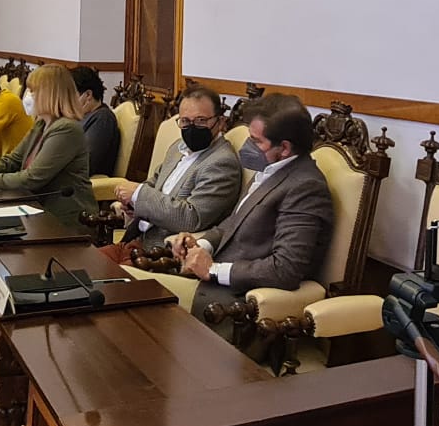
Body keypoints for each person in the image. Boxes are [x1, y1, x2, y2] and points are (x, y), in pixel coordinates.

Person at [162, 94, 332, 323]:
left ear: (284, 147)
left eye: (256, 141)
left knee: (137, 295)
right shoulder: (270, 169)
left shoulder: (306, 187)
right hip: (208, 288)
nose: (248, 147)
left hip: (234, 307)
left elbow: (285, 269)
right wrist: (200, 244)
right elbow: (233, 223)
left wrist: (213, 269)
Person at [103, 86, 240, 265]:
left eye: (200, 120)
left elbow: (192, 218)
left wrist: (138, 194)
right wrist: (134, 204)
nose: (191, 128)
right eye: (185, 121)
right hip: (135, 241)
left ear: (220, 122)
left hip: (158, 257)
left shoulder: (222, 163)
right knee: (74, 267)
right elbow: (154, 183)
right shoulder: (178, 148)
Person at [0, 64, 92, 223]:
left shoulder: (67, 129)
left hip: (62, 218)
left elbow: (32, 178)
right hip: (32, 206)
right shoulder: (42, 123)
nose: (27, 96)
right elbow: (13, 160)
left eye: (32, 91)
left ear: (50, 95)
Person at [70, 67, 122, 176]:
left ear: (88, 95)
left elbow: (85, 165)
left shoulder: (103, 118)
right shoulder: (80, 115)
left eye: (71, 96)